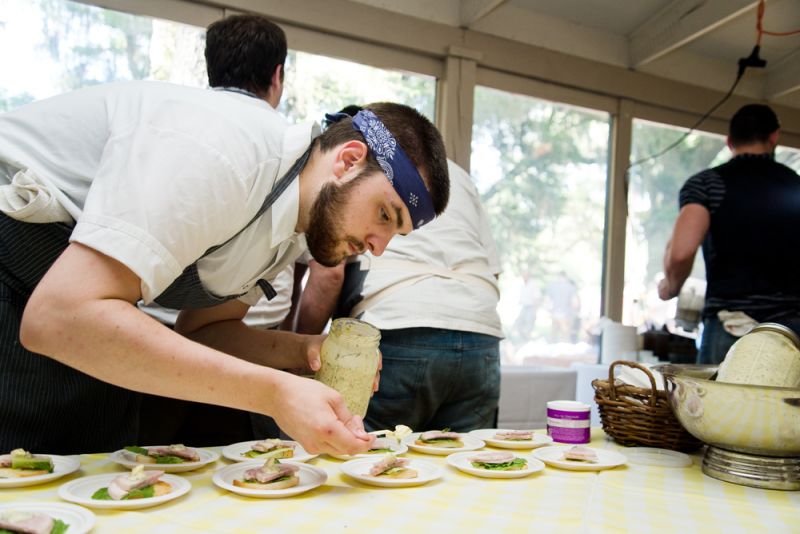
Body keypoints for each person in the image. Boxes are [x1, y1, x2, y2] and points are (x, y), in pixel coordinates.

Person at [0, 75, 449, 453]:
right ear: (349, 161)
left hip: (77, 313)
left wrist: (306, 352)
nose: (378, 246)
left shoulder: (291, 225)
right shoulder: (227, 151)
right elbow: (59, 316)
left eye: (396, 232)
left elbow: (203, 332)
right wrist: (274, 393)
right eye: (385, 215)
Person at [136, 13, 294, 446]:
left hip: (137, 345)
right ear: (277, 76)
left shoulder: (173, 123)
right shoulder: (285, 151)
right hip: (229, 360)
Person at [295, 117, 501, 431]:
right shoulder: (459, 177)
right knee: (463, 469)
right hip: (480, 331)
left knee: (368, 463)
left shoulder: (372, 177)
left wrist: (297, 355)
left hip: (397, 328)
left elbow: (329, 276)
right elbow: (493, 270)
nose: (377, 247)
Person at [658, 103, 800, 364]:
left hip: (730, 326)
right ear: (774, 137)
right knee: (786, 405)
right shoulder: (796, 186)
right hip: (791, 331)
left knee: (719, 404)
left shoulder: (706, 184)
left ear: (729, 141)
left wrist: (671, 286)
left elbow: (681, 252)